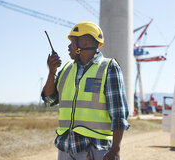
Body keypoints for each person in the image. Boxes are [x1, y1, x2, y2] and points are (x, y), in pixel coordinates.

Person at [42, 21, 130, 160]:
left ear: (85, 42)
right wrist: (52, 72)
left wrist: (115, 151)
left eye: (72, 42)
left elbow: (118, 114)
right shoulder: (66, 69)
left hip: (96, 150)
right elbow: (49, 100)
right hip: (66, 149)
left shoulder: (109, 67)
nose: (69, 46)